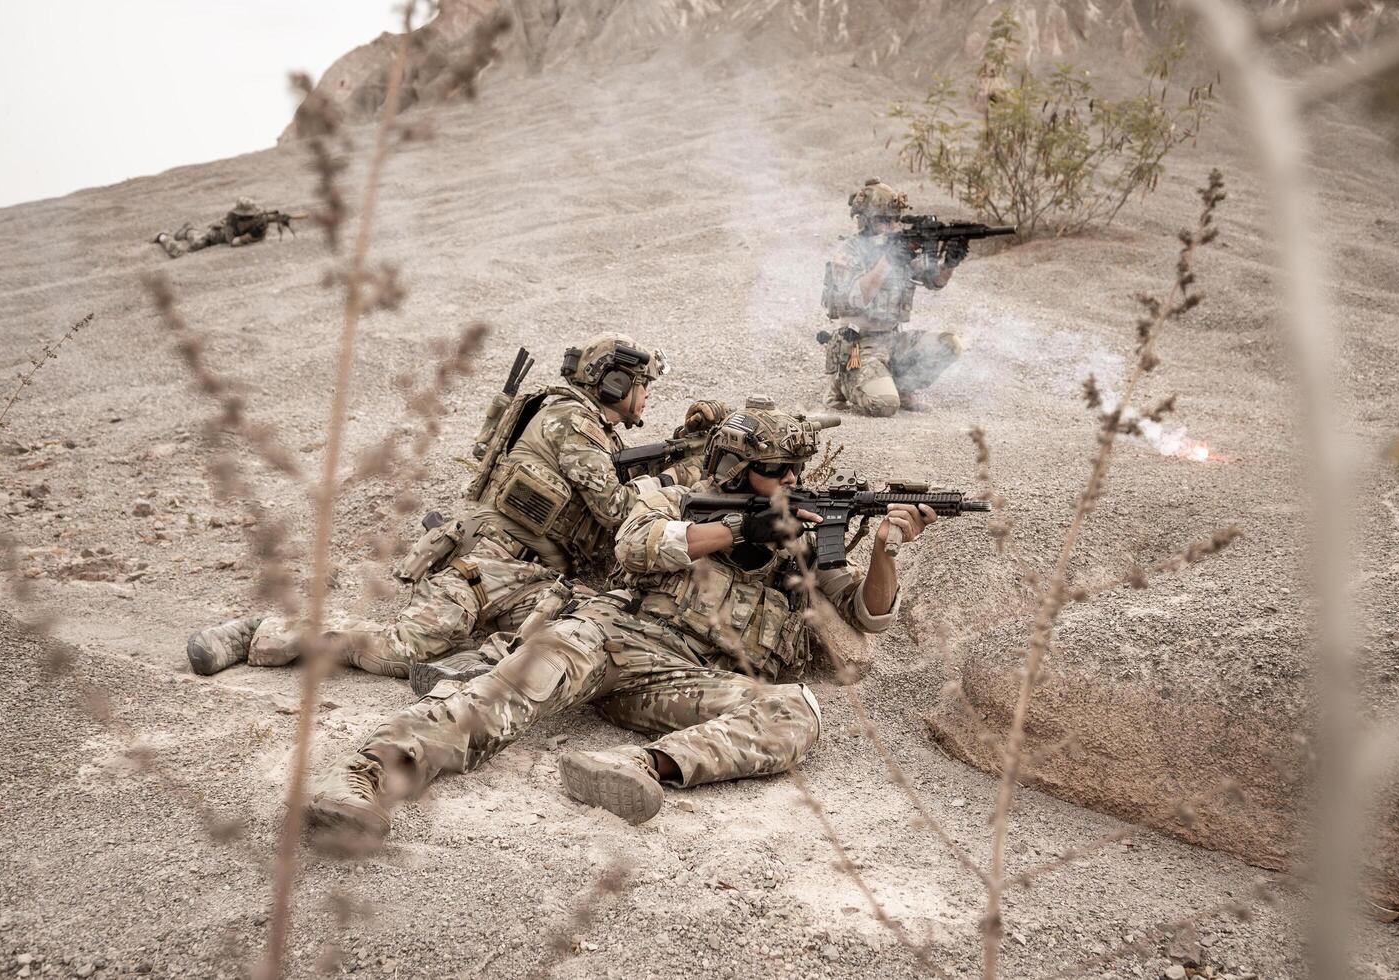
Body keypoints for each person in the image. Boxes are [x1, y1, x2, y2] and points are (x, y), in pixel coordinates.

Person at [303, 398, 939, 844]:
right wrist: (739, 527)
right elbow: (634, 545)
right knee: (502, 696)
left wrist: (884, 546)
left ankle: (641, 766)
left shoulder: (803, 534)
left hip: (681, 678)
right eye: (776, 470)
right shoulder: (670, 496)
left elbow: (867, 616)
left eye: (795, 471)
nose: (791, 481)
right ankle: (365, 774)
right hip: (609, 633)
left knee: (795, 711)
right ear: (732, 469)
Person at [184, 333, 673, 679]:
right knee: (404, 647)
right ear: (614, 384)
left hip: (532, 576)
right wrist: (667, 489)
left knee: (591, 629)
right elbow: (616, 512)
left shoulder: (581, 422)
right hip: (488, 565)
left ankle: (477, 659)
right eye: (643, 384)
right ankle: (261, 633)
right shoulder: (573, 423)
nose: (647, 396)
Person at [821, 178, 968, 415]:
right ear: (866, 219)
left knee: (950, 344)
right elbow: (858, 298)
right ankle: (842, 381)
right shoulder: (849, 251)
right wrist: (889, 259)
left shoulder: (900, 246)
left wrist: (950, 263)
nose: (891, 225)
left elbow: (934, 281)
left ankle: (901, 386)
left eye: (894, 219)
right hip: (859, 346)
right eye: (883, 219)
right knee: (885, 405)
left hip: (893, 340)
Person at [153, 197, 283, 258]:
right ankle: (165, 236)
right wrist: (250, 236)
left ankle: (189, 230)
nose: (251, 217)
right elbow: (232, 242)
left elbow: (270, 218)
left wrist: (276, 220)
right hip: (214, 237)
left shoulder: (259, 216)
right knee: (184, 251)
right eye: (247, 216)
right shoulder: (231, 221)